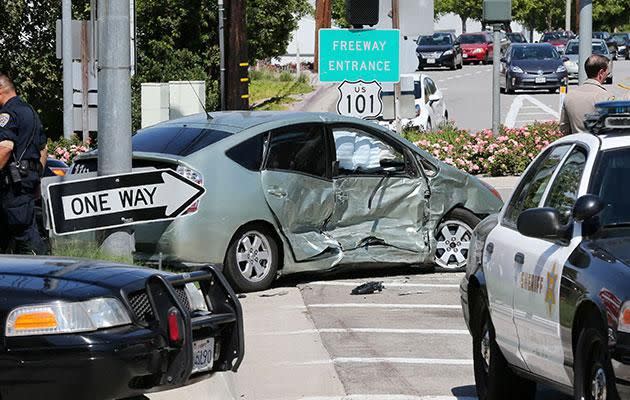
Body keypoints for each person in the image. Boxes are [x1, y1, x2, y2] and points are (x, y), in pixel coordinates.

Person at [0, 71, 48, 254]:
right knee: (9, 234)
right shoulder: (30, 112)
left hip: (13, 185)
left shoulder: (8, 113)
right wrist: (35, 178)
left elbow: (5, 147)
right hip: (24, 183)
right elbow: (43, 149)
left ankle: (44, 273)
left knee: (25, 233)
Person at [559, 54, 615, 134]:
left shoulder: (570, 96)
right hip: (599, 144)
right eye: (607, 73)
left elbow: (564, 128)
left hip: (578, 144)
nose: (607, 76)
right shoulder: (606, 97)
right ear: (601, 73)